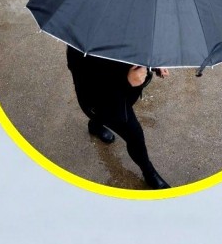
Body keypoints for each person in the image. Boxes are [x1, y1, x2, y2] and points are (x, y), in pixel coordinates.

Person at [66, 45, 170, 189]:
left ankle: (95, 125)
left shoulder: (130, 28)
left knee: (108, 120)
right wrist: (125, 81)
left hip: (124, 97)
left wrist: (153, 64)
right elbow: (85, 79)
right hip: (100, 101)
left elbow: (140, 47)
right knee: (135, 135)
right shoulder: (81, 45)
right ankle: (149, 172)